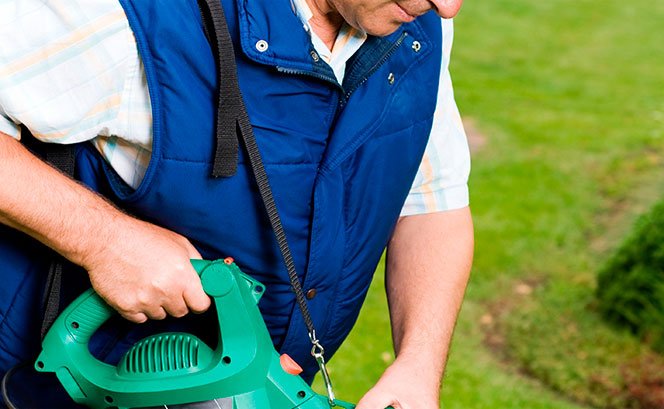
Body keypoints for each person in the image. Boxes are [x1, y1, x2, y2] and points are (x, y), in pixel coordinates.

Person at [0, 0, 473, 408]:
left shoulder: (412, 23)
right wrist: (105, 241)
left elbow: (431, 199)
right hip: (42, 381)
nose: (448, 7)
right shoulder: (133, 16)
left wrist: (417, 364)